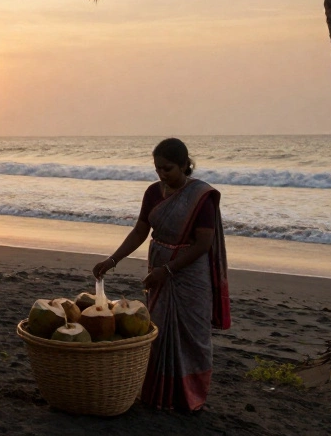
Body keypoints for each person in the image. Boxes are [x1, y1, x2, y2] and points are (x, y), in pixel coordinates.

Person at [92, 138, 230, 411]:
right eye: (158, 169)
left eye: (168, 169)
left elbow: (203, 244)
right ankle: (157, 394)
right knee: (158, 330)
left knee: (193, 334)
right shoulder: (154, 193)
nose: (162, 175)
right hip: (158, 269)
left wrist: (167, 270)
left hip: (189, 274)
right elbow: (140, 231)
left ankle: (191, 396)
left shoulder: (201, 196)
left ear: (184, 165)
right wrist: (112, 259)